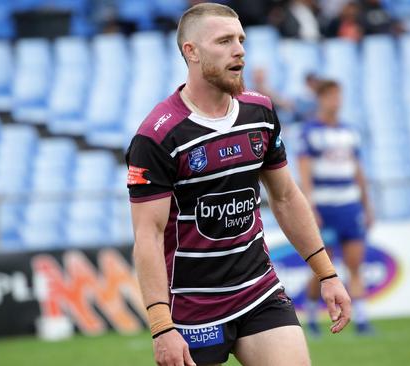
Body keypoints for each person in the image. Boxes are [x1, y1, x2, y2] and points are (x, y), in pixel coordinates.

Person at [125, 3, 351, 365]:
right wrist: (161, 326)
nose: (239, 49)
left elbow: (287, 197)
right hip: (188, 307)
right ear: (192, 52)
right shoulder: (158, 136)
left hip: (257, 291)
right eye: (225, 40)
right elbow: (147, 237)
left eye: (241, 39)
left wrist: (327, 274)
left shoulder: (259, 113)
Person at [296, 80, 375, 337]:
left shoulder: (350, 132)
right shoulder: (310, 132)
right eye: (331, 96)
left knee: (355, 264)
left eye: (339, 96)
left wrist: (367, 205)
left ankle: (362, 320)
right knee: (324, 268)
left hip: (349, 207)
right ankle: (310, 315)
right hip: (325, 209)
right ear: (320, 99)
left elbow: (358, 172)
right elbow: (304, 174)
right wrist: (311, 208)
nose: (336, 101)